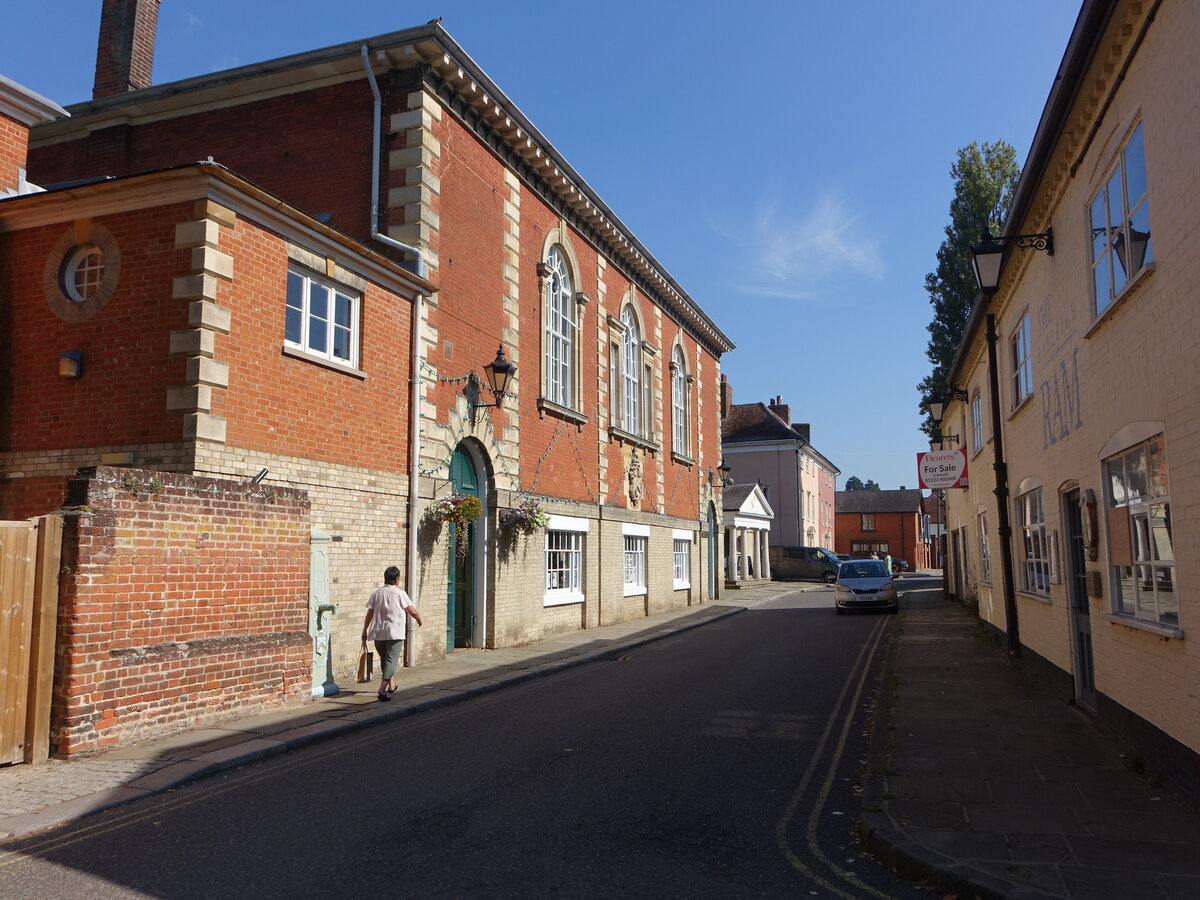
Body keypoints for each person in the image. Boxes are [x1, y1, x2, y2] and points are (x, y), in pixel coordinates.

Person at [362, 566, 422, 701]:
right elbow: (411, 610)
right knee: (391, 661)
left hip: (378, 632)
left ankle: (391, 685)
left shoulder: (377, 593)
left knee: (385, 659)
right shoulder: (400, 594)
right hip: (395, 632)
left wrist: (365, 629)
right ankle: (382, 690)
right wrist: (418, 619)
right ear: (397, 580)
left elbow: (369, 613)